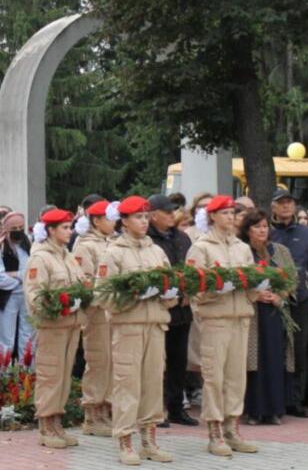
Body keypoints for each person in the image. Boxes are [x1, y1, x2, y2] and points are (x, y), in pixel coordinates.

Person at [98, 196, 177, 466]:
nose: (144, 222)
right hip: (129, 327)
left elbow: (171, 291)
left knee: (153, 384)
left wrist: (169, 292)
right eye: (138, 217)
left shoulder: (157, 251)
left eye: (146, 217)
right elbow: (104, 296)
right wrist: (135, 295)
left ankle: (149, 439)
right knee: (127, 385)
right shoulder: (114, 253)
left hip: (155, 324)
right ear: (124, 221)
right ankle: (125, 440)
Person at [188, 195, 259, 458]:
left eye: (233, 213)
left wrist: (256, 287)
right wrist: (216, 289)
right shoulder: (201, 247)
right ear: (213, 216)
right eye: (226, 213)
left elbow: (251, 279)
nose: (231, 217)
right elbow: (193, 287)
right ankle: (214, 430)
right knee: (214, 377)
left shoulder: (242, 247)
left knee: (236, 377)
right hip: (215, 318)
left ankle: (232, 426)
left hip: (240, 316)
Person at [24, 208, 87, 450]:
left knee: (63, 377)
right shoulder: (40, 258)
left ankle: (57, 422)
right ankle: (45, 424)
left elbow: (80, 283)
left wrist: (81, 296)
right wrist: (59, 304)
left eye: (70, 227)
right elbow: (35, 296)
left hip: (71, 324)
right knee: (50, 375)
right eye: (65, 228)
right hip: (53, 326)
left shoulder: (67, 256)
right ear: (50, 230)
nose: (69, 232)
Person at [146, 193, 198, 427]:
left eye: (173, 211)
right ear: (152, 215)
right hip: (158, 309)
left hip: (182, 309)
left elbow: (191, 269)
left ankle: (176, 408)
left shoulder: (182, 237)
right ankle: (156, 409)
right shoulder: (148, 240)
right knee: (156, 363)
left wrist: (190, 290)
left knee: (178, 362)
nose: (171, 215)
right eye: (166, 212)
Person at [239, 210, 295, 425]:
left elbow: (291, 279)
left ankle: (274, 409)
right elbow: (238, 279)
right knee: (253, 360)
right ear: (248, 230)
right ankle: (254, 410)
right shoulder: (242, 252)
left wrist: (279, 296)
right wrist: (255, 294)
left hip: (274, 311)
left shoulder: (280, 251)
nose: (263, 230)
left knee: (274, 358)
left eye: (265, 226)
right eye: (257, 227)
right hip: (252, 313)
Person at [268, 188, 308, 418]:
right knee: (276, 349)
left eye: (290, 202)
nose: (287, 206)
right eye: (282, 203)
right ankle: (276, 398)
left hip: (301, 298)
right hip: (274, 299)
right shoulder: (267, 232)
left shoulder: (305, 232)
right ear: (273, 207)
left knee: (299, 349)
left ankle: (295, 400)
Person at [72, 198, 115, 436]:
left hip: (113, 311)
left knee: (111, 361)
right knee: (98, 361)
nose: (113, 223)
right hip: (97, 312)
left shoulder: (112, 243)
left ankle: (107, 409)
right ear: (96, 221)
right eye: (108, 218)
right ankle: (92, 413)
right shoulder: (85, 246)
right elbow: (85, 280)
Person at [0, 211, 35, 362]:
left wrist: (16, 274)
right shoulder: (0, 246)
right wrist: (22, 277)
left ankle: (27, 371)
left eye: (21, 227)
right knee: (5, 337)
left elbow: (33, 273)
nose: (18, 231)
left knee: (28, 335)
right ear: (7, 229)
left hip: (27, 295)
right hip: (7, 296)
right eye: (14, 227)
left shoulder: (28, 242)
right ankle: (5, 374)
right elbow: (0, 279)